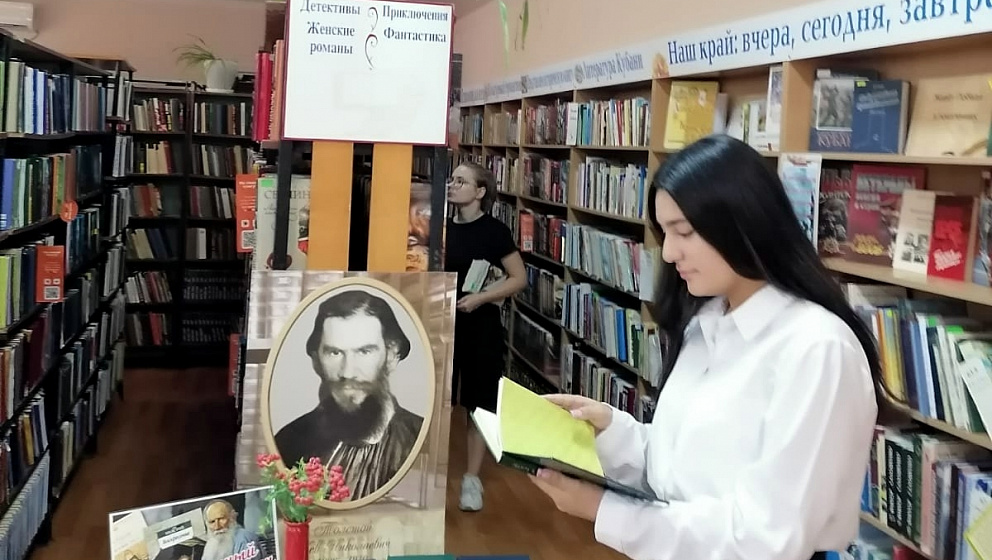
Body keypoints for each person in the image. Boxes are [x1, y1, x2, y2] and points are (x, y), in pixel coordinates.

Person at [529, 135, 884, 560]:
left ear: (743, 222)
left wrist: (604, 510)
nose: (669, 252)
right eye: (665, 233)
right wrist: (608, 430)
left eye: (684, 232)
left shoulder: (817, 349)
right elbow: (682, 471)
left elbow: (766, 540)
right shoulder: (707, 323)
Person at [273, 289, 424, 501]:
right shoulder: (289, 442)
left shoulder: (421, 440)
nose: (348, 372)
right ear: (316, 361)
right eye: (334, 353)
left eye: (364, 351)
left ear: (391, 355)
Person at [444, 161, 527, 511]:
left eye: (461, 181)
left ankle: (471, 479)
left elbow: (518, 278)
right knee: (439, 398)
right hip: (442, 323)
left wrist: (480, 298)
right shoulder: (438, 226)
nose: (452, 185)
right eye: (451, 179)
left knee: (478, 402)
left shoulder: (495, 231)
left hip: (480, 325)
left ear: (480, 192)